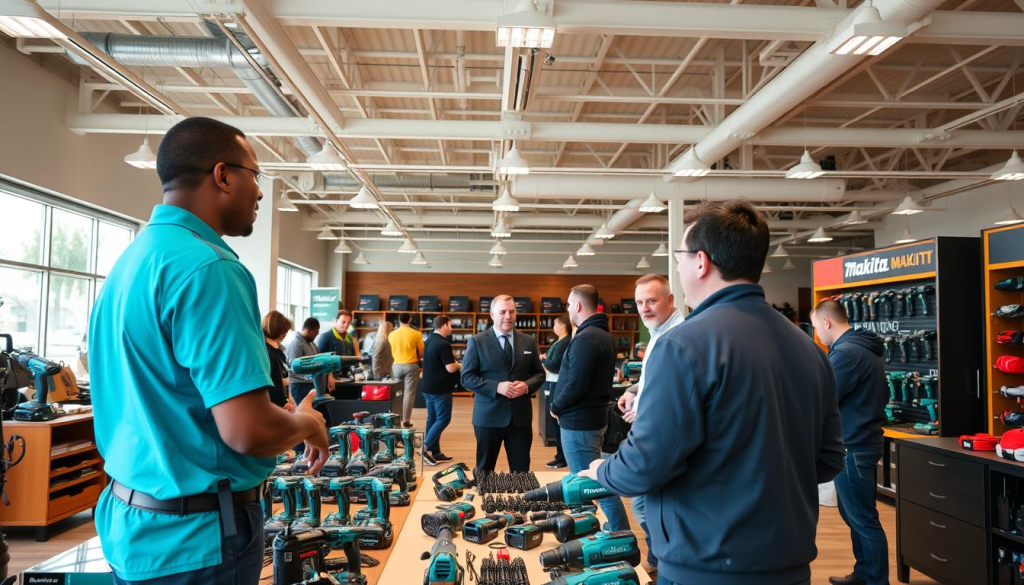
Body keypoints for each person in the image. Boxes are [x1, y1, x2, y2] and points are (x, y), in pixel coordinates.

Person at [88, 117, 329, 585]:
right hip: (199, 541)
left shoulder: (131, 262)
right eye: (255, 176)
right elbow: (248, 430)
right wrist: (309, 424)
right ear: (222, 176)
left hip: (133, 527)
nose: (260, 193)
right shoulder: (210, 268)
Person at [581, 200, 844, 585]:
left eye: (680, 258)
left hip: (704, 565)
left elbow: (646, 465)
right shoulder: (808, 347)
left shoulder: (684, 346)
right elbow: (829, 458)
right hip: (789, 563)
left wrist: (603, 471)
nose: (679, 269)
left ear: (701, 262)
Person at [811, 300, 889, 585]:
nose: (817, 333)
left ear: (827, 322)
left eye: (817, 326)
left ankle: (875, 580)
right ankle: (864, 574)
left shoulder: (846, 354)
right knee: (854, 514)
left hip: (853, 446)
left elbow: (822, 397)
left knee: (863, 519)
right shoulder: (863, 349)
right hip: (862, 442)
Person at [614, 273, 684, 577]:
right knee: (645, 505)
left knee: (646, 506)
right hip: (648, 436)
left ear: (670, 301)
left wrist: (644, 413)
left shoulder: (678, 337)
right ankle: (659, 558)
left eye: (652, 301)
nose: (645, 308)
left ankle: (664, 557)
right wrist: (633, 392)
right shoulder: (657, 334)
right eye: (640, 302)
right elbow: (652, 382)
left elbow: (673, 395)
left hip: (661, 442)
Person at [551, 285, 629, 532]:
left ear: (577, 306)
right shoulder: (603, 335)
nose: (566, 309)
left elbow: (576, 384)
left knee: (592, 484)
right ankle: (594, 527)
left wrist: (555, 405)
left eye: (568, 304)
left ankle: (619, 534)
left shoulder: (586, 338)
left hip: (579, 423)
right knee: (591, 481)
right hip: (591, 420)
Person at [461, 294, 545, 471]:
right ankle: (486, 499)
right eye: (503, 312)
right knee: (485, 471)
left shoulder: (529, 341)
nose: (508, 316)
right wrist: (496, 386)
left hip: (520, 418)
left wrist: (527, 386)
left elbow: (539, 374)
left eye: (512, 312)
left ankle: (520, 499)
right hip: (488, 418)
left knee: (521, 472)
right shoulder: (477, 341)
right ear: (492, 314)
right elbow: (466, 378)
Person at [419, 315, 460, 465]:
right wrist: (460, 365)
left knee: (433, 419)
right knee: (443, 419)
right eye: (450, 325)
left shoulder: (429, 340)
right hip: (440, 388)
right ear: (444, 325)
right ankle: (425, 446)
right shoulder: (443, 344)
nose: (451, 328)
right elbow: (450, 368)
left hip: (428, 386)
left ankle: (435, 452)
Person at [541, 315, 571, 469]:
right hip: (552, 382)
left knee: (557, 421)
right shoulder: (559, 342)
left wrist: (543, 360)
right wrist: (545, 359)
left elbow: (553, 365)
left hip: (557, 383)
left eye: (555, 324)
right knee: (554, 421)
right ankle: (560, 455)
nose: (553, 327)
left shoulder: (565, 342)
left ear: (562, 325)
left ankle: (562, 457)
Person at [389, 313, 424, 428]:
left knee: (397, 393)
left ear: (399, 321)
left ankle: (395, 418)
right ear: (410, 320)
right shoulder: (417, 334)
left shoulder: (392, 334)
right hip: (411, 366)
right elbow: (422, 352)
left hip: (396, 366)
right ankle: (406, 420)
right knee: (409, 393)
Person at [262, 310, 295, 412]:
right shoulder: (267, 352)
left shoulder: (279, 350)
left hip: (283, 401)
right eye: (284, 331)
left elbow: (284, 375)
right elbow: (270, 383)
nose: (285, 334)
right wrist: (283, 403)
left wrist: (289, 396)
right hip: (273, 406)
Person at [285, 317, 321, 407]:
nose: (316, 335)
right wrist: (310, 377)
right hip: (298, 386)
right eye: (315, 332)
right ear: (307, 330)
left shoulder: (311, 344)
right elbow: (293, 368)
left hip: (309, 384)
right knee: (300, 414)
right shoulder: (296, 344)